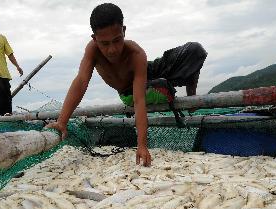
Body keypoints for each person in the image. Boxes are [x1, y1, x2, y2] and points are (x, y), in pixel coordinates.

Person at [46, 3, 207, 166]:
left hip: (147, 71)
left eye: (117, 40)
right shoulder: (92, 51)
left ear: (124, 31)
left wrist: (142, 145)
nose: (112, 49)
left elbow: (140, 101)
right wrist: (62, 121)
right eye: (105, 43)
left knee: (194, 50)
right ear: (94, 39)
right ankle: (175, 82)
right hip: (129, 89)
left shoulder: (136, 53)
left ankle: (191, 93)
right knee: (161, 84)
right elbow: (81, 82)